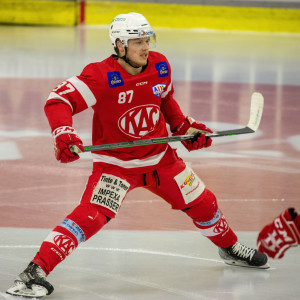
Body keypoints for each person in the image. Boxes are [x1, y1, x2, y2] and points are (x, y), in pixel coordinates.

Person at [6, 12, 269, 298]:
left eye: (147, 39)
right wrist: (64, 134)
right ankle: (34, 272)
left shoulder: (160, 65)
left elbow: (166, 101)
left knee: (204, 203)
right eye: (137, 41)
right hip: (116, 167)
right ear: (119, 45)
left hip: (161, 159)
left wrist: (184, 127)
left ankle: (229, 247)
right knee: (91, 217)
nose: (145, 47)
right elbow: (58, 100)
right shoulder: (100, 75)